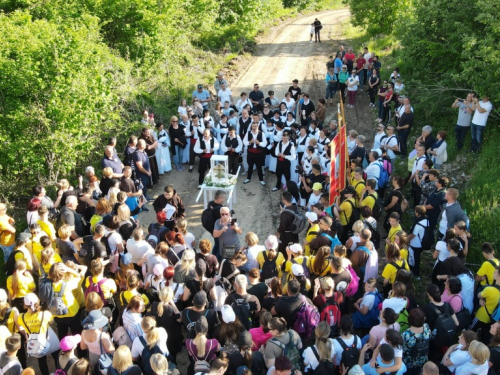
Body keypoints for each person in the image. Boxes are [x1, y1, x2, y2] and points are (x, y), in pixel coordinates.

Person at [18, 294, 60, 375]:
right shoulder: (45, 314)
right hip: (49, 339)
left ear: (25, 305)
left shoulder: (21, 317)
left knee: (41, 361)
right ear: (38, 302)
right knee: (56, 355)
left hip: (36, 343)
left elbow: (21, 326)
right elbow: (52, 322)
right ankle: (59, 372)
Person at [402, 308, 431, 375]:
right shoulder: (426, 327)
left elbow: (403, 349)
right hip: (423, 359)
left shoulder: (406, 334)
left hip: (409, 363)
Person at [243, 121, 267, 186]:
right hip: (250, 153)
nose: (254, 127)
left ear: (258, 126)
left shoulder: (262, 133)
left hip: (259, 153)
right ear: (251, 126)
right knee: (250, 166)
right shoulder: (248, 133)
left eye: (255, 126)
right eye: (253, 126)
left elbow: (265, 143)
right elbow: (244, 141)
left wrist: (259, 143)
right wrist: (250, 142)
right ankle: (248, 178)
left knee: (259, 167)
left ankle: (261, 180)